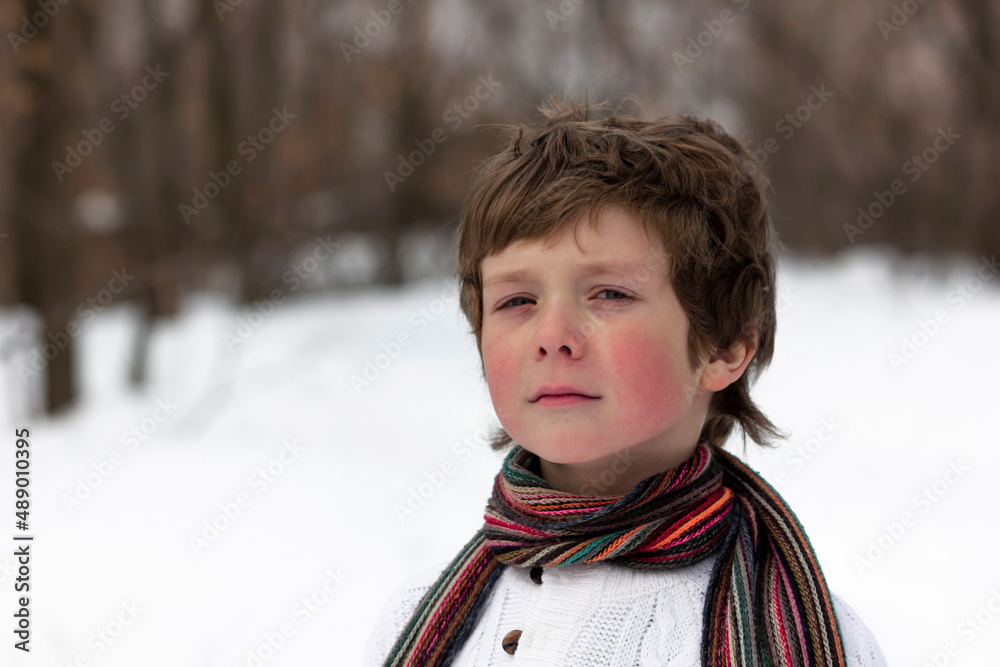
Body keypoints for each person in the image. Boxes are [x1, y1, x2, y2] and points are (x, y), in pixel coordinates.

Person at [364, 96, 888, 666]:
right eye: (518, 300)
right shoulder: (415, 622)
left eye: (609, 294)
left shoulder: (805, 633)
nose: (553, 334)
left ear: (724, 344)